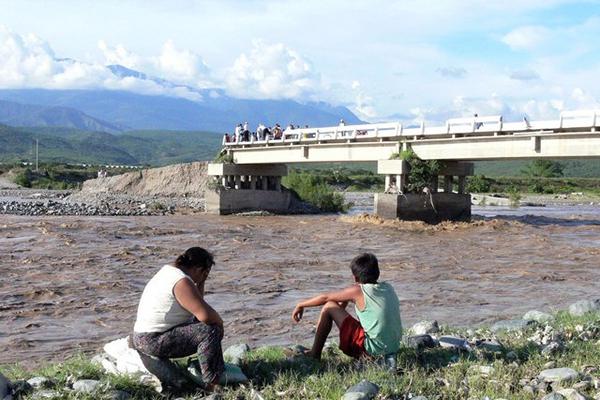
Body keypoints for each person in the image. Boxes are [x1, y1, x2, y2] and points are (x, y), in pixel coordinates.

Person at [132, 247, 224, 391]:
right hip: (152, 340)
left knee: (203, 324)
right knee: (211, 330)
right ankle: (212, 383)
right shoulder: (181, 282)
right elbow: (205, 315)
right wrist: (220, 324)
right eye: (205, 273)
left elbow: (197, 307)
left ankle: (208, 373)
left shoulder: (169, 271)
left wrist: (201, 282)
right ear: (198, 269)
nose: (205, 277)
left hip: (142, 337)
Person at [292, 253, 402, 360]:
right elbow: (342, 306)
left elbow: (325, 297)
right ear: (378, 272)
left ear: (355, 278)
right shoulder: (388, 287)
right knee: (335, 305)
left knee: (328, 306)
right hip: (393, 348)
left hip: (372, 351)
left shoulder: (357, 291)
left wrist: (300, 304)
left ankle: (314, 354)